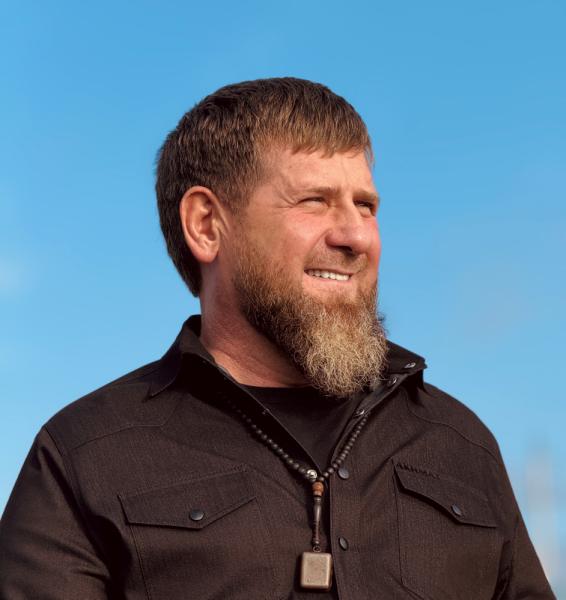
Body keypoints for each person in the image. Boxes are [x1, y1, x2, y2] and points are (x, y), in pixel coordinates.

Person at [0, 78, 555, 600]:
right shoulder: (84, 455)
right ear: (206, 225)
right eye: (314, 200)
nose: (356, 236)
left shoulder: (461, 445)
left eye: (366, 205)